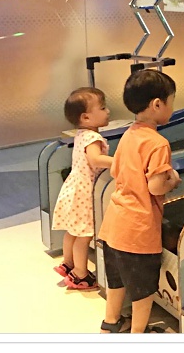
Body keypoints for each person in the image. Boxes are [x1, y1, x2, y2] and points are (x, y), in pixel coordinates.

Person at [98, 70, 181, 333]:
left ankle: (110, 324)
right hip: (138, 229)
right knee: (143, 291)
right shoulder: (158, 143)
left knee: (117, 281)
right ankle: (138, 334)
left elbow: (115, 171)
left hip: (114, 225)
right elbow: (156, 187)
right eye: (171, 101)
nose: (171, 106)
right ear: (158, 104)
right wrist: (173, 179)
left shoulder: (129, 134)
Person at [52, 87, 114, 291]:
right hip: (85, 191)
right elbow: (95, 159)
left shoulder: (82, 133)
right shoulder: (92, 138)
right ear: (86, 117)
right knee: (85, 234)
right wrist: (120, 161)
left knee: (73, 230)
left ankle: (67, 264)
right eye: (103, 107)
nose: (108, 111)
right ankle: (80, 274)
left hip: (74, 186)